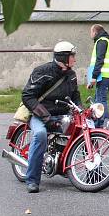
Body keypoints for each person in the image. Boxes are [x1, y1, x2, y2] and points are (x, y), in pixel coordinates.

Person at [21, 42, 81, 193]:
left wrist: (81, 111)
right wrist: (44, 115)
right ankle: (32, 180)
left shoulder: (71, 74)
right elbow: (28, 96)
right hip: (40, 115)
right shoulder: (43, 71)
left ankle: (93, 172)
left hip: (61, 115)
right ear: (63, 57)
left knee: (82, 130)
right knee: (40, 135)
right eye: (72, 55)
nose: (74, 59)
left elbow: (75, 96)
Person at [88, 23, 109, 128]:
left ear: (95, 32)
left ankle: (103, 124)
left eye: (91, 32)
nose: (90, 34)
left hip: (103, 76)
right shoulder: (108, 42)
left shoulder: (101, 42)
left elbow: (99, 60)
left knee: (100, 101)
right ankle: (98, 124)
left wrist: (94, 77)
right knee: (98, 100)